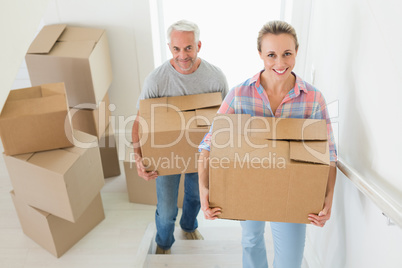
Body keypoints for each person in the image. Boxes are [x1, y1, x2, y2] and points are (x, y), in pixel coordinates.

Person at [198, 20, 337, 268]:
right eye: (271, 55)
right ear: (260, 54)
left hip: (294, 189)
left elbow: (329, 154)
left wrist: (328, 197)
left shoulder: (313, 98)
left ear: (296, 53)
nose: (280, 63)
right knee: (251, 241)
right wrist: (204, 190)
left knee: (291, 260)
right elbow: (208, 145)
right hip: (246, 184)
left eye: (287, 54)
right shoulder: (240, 95)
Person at [132, 19, 228, 255]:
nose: (182, 55)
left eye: (188, 48)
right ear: (169, 48)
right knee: (166, 209)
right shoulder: (156, 80)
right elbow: (139, 121)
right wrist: (138, 158)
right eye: (176, 49)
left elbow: (227, 120)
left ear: (199, 46)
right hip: (167, 153)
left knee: (195, 196)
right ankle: (164, 243)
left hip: (201, 154)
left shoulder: (215, 78)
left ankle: (188, 225)